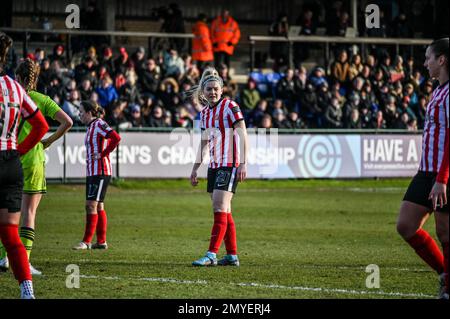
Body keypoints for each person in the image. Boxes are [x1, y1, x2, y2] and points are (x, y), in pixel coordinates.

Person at [0, 58, 72, 276]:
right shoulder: (42, 99)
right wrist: (48, 141)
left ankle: (4, 258)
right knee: (28, 213)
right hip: (33, 161)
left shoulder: (10, 96)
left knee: (5, 213)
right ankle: (25, 261)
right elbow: (67, 121)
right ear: (36, 78)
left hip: (9, 159)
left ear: (18, 77)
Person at [396, 38, 449, 299]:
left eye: (429, 57)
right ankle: (445, 274)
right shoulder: (438, 90)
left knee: (444, 231)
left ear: (442, 60)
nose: (425, 62)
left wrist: (443, 178)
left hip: (443, 174)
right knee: (406, 225)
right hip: (426, 172)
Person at [0, 33, 49, 299]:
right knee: (9, 231)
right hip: (10, 163)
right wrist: (18, 149)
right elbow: (41, 125)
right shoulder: (16, 88)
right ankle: (26, 290)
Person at [189, 67, 248, 267]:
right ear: (203, 93)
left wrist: (243, 163)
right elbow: (204, 143)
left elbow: (243, 133)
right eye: (209, 89)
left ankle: (211, 254)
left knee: (219, 207)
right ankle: (232, 255)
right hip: (214, 165)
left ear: (222, 90)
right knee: (225, 210)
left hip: (229, 164)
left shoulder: (231, 106)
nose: (212, 92)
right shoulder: (204, 114)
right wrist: (195, 168)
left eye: (215, 89)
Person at [72, 101, 121, 250]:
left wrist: (102, 154)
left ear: (89, 112)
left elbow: (116, 138)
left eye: (81, 111)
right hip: (93, 172)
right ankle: (101, 242)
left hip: (100, 171)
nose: (79, 114)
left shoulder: (99, 124)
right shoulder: (90, 128)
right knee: (98, 205)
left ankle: (86, 242)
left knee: (90, 205)